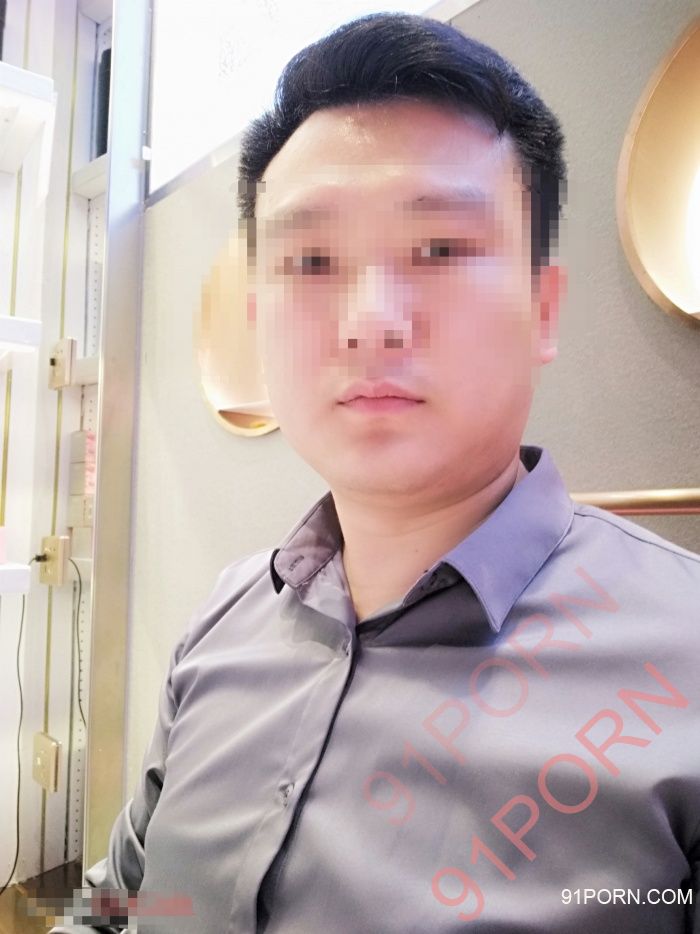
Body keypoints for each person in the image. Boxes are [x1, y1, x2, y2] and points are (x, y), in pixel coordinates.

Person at [50, 12, 700, 934]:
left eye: (438, 250)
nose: (370, 321)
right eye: (311, 260)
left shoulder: (681, 663)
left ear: (544, 309)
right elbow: (119, 900)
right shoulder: (223, 624)